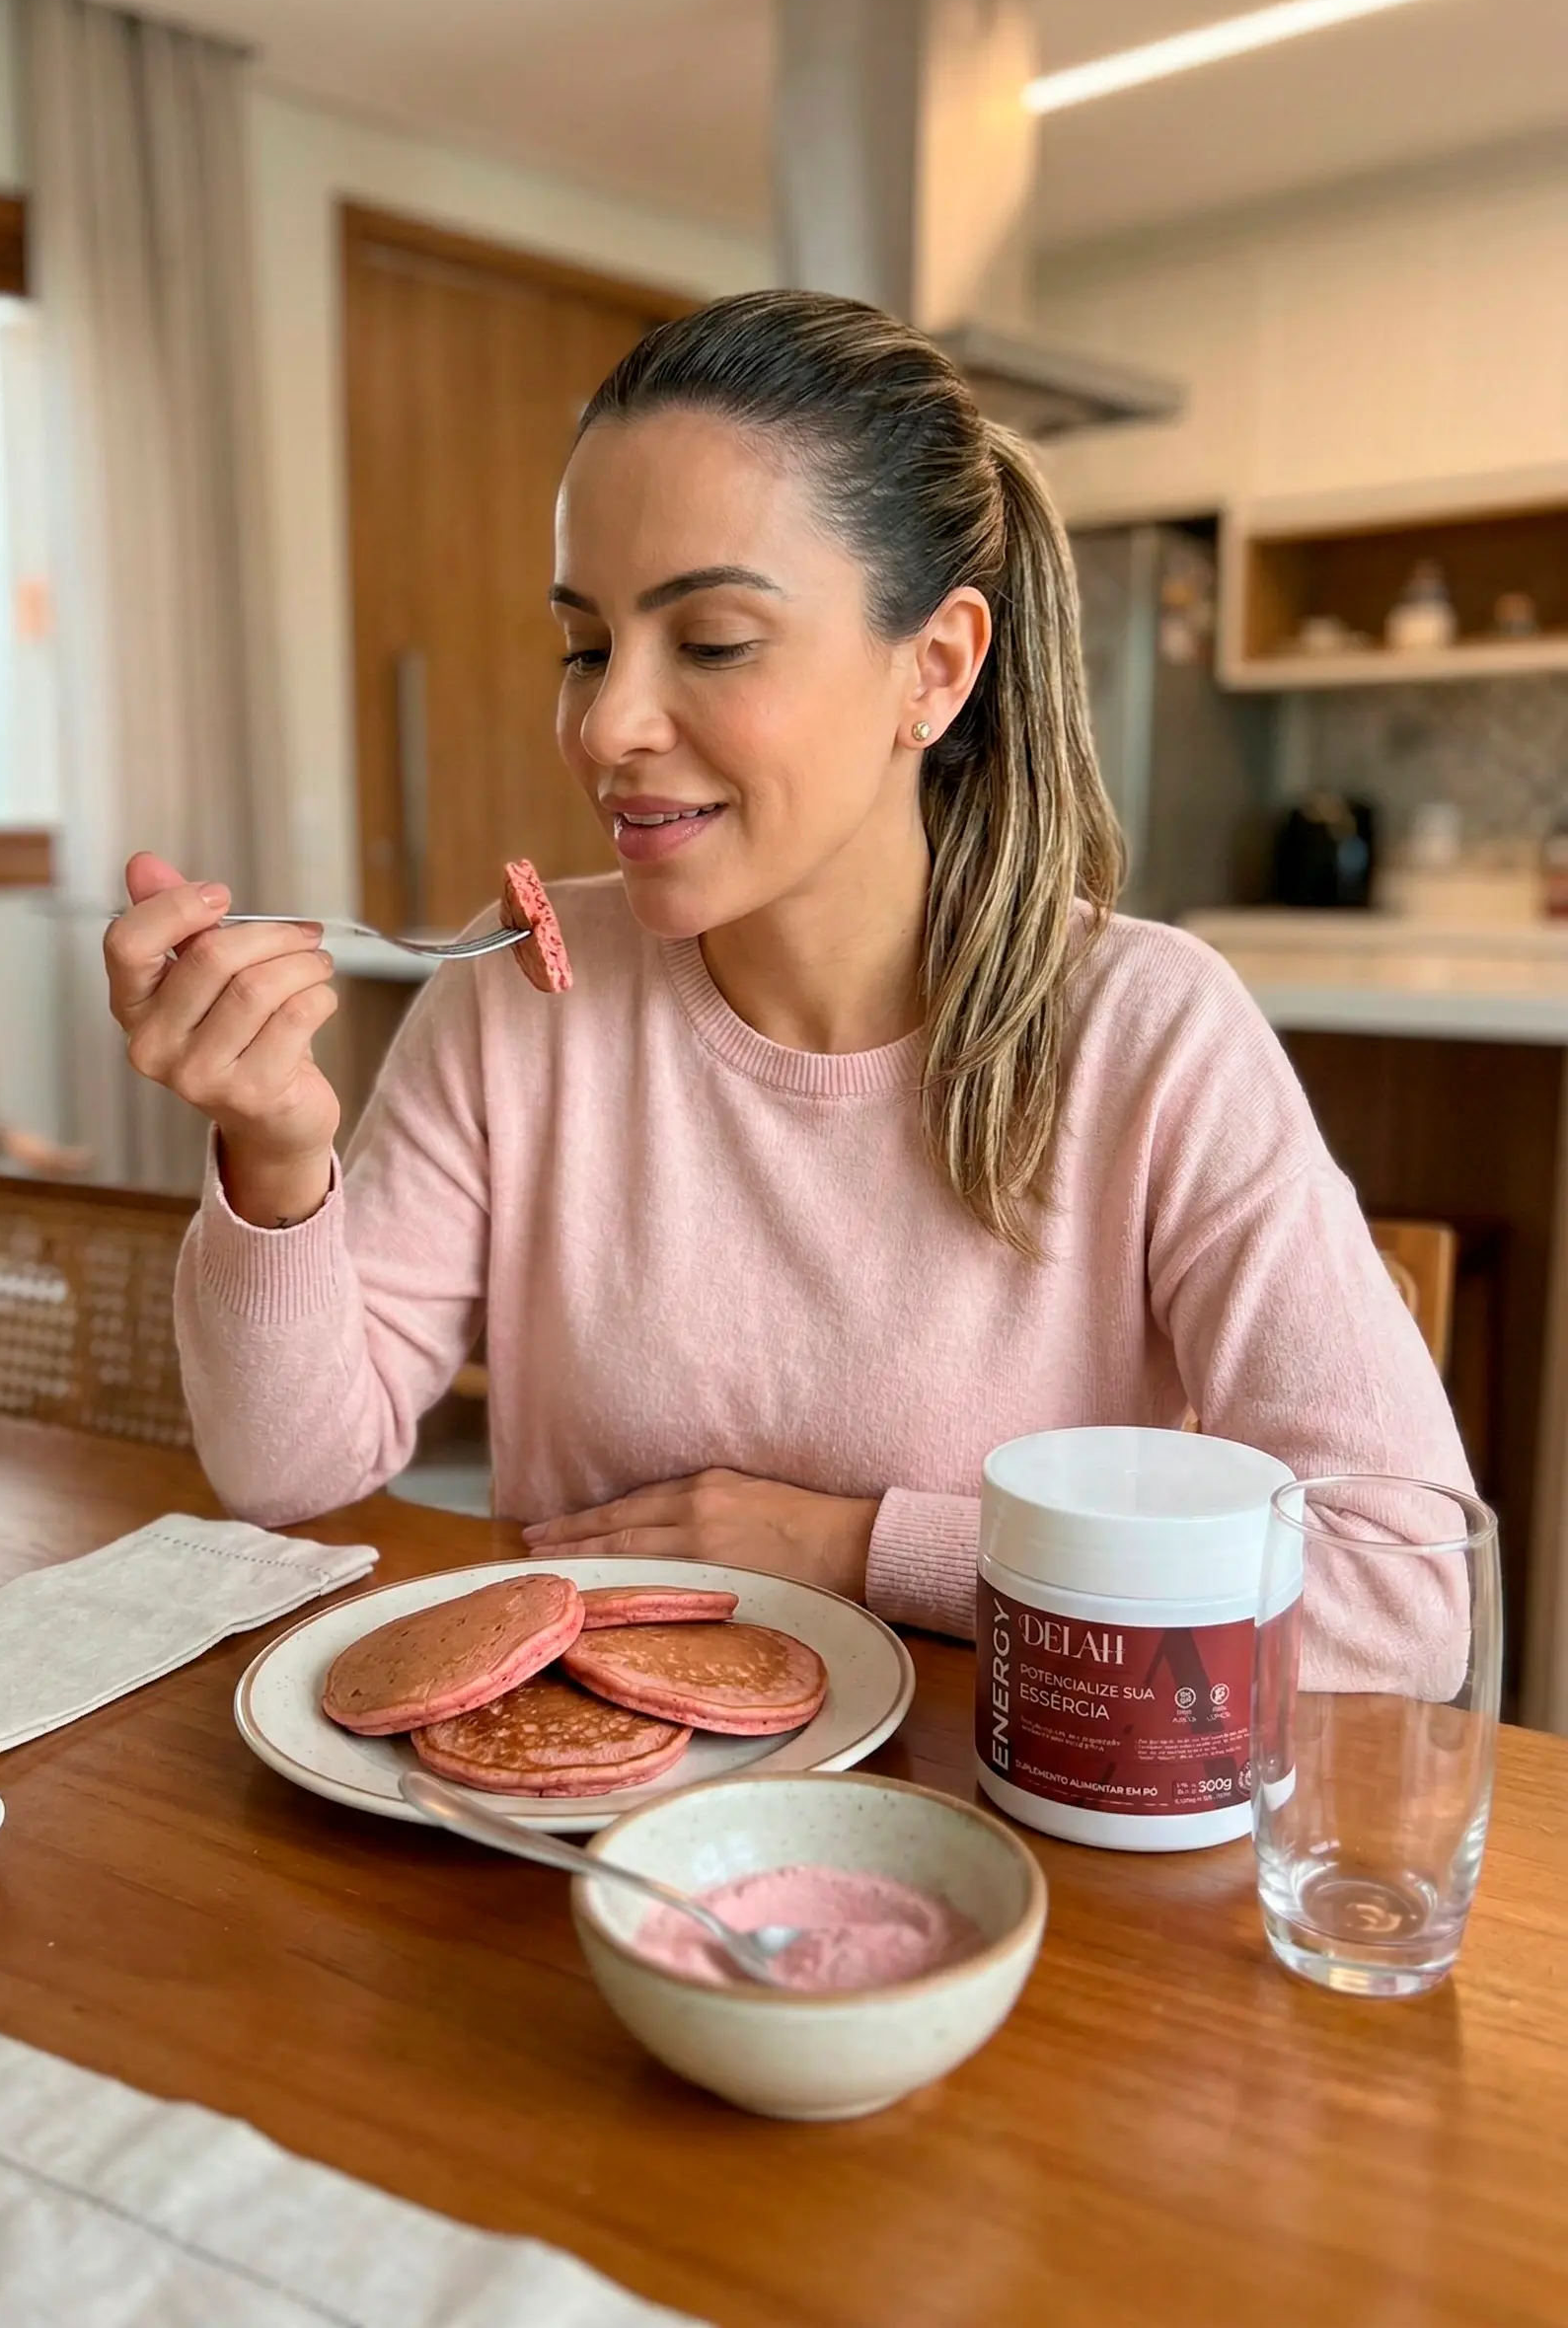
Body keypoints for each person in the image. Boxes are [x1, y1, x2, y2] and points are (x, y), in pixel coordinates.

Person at [104, 290, 1467, 1641]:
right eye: (586, 648)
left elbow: (1398, 1591)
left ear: (934, 669)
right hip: (577, 1765)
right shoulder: (516, 996)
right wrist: (274, 1155)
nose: (608, 726)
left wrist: (860, 1550)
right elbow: (288, 1477)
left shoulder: (1150, 1034)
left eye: (713, 644)